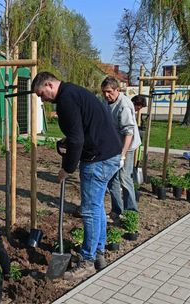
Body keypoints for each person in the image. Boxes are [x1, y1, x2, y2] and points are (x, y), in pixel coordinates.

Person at [31, 72, 122, 280]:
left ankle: (87, 261)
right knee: (97, 206)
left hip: (98, 159)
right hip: (110, 154)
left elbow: (77, 140)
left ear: (49, 84)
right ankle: (99, 254)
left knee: (89, 210)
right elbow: (81, 129)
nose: (42, 99)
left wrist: (67, 168)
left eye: (41, 94)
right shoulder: (73, 91)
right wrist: (69, 140)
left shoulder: (65, 100)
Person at [101, 77, 141, 222]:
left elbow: (128, 133)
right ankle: (117, 211)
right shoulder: (105, 102)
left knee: (124, 178)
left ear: (117, 90)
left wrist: (123, 156)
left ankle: (131, 213)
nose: (106, 95)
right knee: (113, 179)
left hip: (127, 145)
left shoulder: (124, 105)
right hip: (115, 144)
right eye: (104, 92)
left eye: (109, 92)